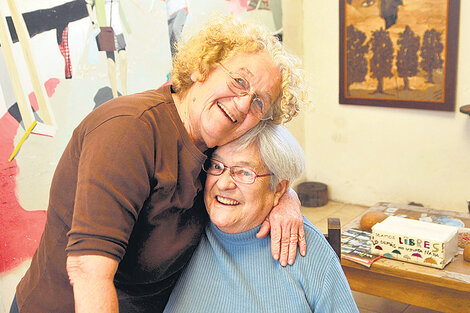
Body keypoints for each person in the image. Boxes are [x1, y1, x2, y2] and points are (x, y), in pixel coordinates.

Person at [11, 16, 308, 313]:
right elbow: (89, 272)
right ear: (201, 67)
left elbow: (263, 173)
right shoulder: (130, 131)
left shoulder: (218, 143)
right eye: (239, 81)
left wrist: (285, 198)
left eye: (259, 102)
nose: (243, 104)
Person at [163, 123, 359, 313]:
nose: (223, 184)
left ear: (279, 188)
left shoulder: (306, 249)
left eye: (244, 172)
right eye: (216, 165)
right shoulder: (182, 226)